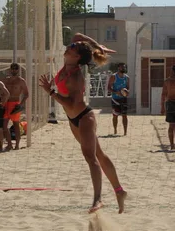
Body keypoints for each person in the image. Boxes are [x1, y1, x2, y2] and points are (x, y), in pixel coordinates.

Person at [39, 33, 127, 214]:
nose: (69, 46)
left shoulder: (76, 78)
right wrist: (98, 46)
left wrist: (51, 93)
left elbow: (70, 103)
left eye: (72, 47)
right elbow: (77, 36)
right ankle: (119, 191)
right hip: (73, 120)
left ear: (77, 56)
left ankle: (98, 199)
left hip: (85, 118)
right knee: (100, 155)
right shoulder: (71, 60)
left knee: (91, 158)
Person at [3, 63, 29, 150]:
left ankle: (17, 145)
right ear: (10, 69)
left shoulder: (21, 81)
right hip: (6, 103)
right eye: (12, 69)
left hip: (15, 104)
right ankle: (9, 143)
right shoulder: (6, 80)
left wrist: (20, 105)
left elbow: (26, 94)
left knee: (16, 125)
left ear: (18, 70)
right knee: (4, 125)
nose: (14, 70)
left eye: (15, 69)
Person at [108, 63, 129, 135]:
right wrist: (116, 92)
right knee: (115, 115)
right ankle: (115, 130)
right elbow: (108, 88)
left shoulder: (127, 77)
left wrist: (126, 92)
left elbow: (128, 88)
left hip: (123, 99)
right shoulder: (114, 76)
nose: (123, 68)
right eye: (122, 67)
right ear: (118, 68)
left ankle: (125, 132)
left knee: (124, 115)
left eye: (124, 67)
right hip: (115, 99)